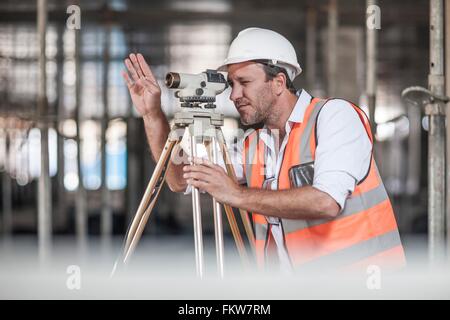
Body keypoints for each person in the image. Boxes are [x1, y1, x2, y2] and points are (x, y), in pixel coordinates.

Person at [122, 27, 406, 273]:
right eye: (232, 84)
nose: (233, 95)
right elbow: (178, 179)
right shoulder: (255, 145)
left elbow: (326, 201)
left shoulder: (334, 117)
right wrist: (152, 114)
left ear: (279, 82)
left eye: (245, 82)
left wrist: (234, 193)